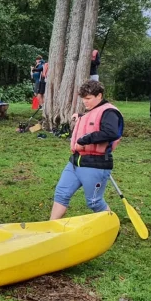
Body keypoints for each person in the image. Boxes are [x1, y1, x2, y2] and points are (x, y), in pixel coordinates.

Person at [50, 80, 123, 220]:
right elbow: (92, 122)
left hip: (95, 164)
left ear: (99, 96)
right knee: (61, 194)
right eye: (83, 99)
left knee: (94, 202)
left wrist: (84, 140)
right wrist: (81, 117)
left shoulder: (109, 112)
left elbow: (110, 132)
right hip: (75, 162)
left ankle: (111, 226)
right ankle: (50, 227)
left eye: (88, 98)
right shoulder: (91, 111)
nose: (85, 102)